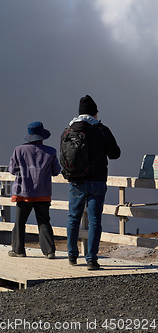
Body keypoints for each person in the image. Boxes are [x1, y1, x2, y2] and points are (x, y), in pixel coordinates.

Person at [62, 95, 121, 270]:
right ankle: (92, 259)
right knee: (95, 220)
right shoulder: (101, 129)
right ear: (95, 113)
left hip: (76, 181)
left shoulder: (68, 130)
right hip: (97, 181)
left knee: (73, 217)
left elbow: (62, 157)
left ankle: (72, 255)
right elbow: (115, 154)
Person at [8, 121, 61, 259]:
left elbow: (12, 170)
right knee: (44, 222)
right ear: (42, 136)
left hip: (23, 192)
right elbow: (56, 171)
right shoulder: (51, 151)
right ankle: (49, 251)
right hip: (43, 193)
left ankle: (18, 250)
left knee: (20, 222)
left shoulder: (19, 150)